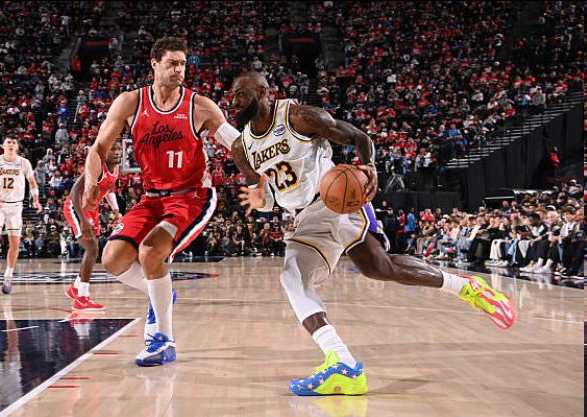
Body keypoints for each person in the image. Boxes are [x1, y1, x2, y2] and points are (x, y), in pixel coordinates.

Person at [230, 72, 516, 396]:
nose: (234, 100)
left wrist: (369, 168)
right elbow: (265, 195)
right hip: (304, 217)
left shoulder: (298, 116)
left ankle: (467, 287)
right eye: (232, 94)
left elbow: (359, 138)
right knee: (292, 277)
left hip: (336, 200)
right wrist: (260, 200)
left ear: (263, 91)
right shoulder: (241, 148)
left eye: (241, 92)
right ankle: (343, 363)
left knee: (378, 267)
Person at [82, 37, 240, 366]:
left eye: (182, 64)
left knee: (151, 252)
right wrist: (91, 183)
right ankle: (161, 294)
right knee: (111, 259)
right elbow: (98, 148)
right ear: (154, 64)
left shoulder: (200, 106)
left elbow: (237, 145)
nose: (179, 69)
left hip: (191, 197)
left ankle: (164, 339)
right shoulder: (130, 103)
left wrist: (260, 177)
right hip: (152, 198)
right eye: (172, 63)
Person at [63, 141, 122, 311]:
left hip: (92, 209)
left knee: (92, 250)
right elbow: (75, 192)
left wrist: (116, 211)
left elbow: (109, 189)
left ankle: (76, 288)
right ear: (105, 152)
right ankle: (82, 297)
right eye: (113, 149)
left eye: (119, 149)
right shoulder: (97, 166)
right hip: (77, 207)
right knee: (92, 249)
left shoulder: (116, 169)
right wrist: (82, 220)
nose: (117, 152)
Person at [0, 136, 42, 295]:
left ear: (17, 146)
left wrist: (36, 200)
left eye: (13, 142)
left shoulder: (24, 162)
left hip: (16, 206)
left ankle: (8, 275)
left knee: (15, 244)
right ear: (2, 145)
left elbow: (33, 183)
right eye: (8, 142)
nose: (10, 144)